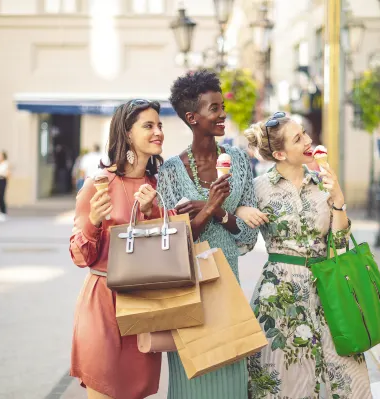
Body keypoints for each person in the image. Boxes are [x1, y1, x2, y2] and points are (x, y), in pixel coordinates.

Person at [236, 113, 373, 399]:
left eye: (306, 134)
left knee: (345, 374)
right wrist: (240, 211)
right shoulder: (258, 187)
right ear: (279, 153)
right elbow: (243, 243)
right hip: (280, 296)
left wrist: (337, 199)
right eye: (299, 138)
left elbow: (339, 243)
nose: (309, 141)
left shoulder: (321, 182)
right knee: (284, 382)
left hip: (328, 290)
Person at [157, 69, 259, 399]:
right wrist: (209, 206)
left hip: (229, 288)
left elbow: (248, 236)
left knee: (230, 381)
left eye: (222, 106)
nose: (222, 114)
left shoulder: (240, 161)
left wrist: (218, 210)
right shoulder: (170, 170)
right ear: (192, 117)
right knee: (191, 381)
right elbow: (174, 239)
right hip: (188, 290)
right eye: (214, 108)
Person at [69, 99, 165, 399]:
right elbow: (79, 256)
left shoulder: (158, 185)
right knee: (104, 388)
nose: (158, 131)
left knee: (136, 391)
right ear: (126, 133)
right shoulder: (98, 184)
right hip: (104, 303)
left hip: (144, 302)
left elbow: (168, 248)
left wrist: (152, 213)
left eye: (159, 125)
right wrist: (94, 220)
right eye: (148, 125)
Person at [0, 150, 10, 222]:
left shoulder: (6, 164)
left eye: (0, 155)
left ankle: (4, 212)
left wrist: (6, 178)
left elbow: (8, 173)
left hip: (3, 180)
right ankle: (0, 212)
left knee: (2, 196)